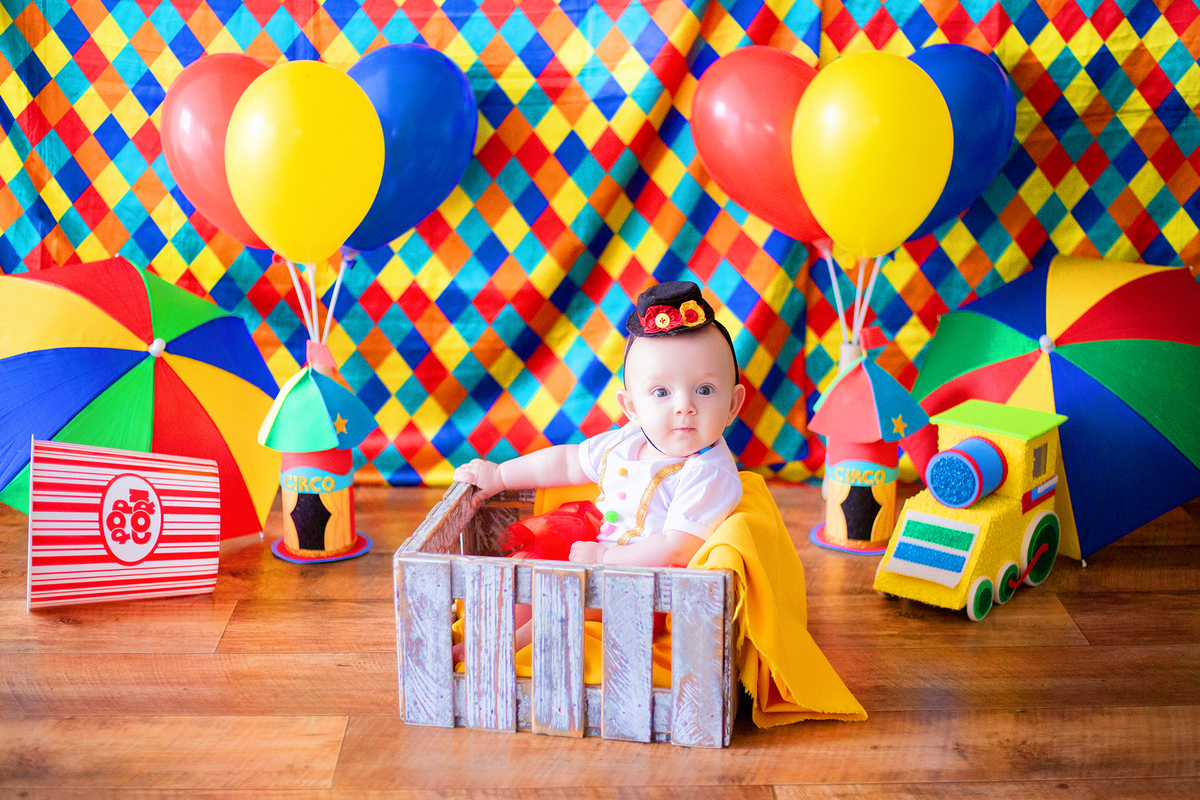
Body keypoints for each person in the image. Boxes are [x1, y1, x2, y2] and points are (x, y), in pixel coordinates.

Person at [454, 280, 746, 570]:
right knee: (525, 566)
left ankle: (541, 617)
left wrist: (605, 559)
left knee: (561, 598)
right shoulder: (628, 441)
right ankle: (513, 617)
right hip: (593, 548)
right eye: (661, 392)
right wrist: (501, 475)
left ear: (732, 405)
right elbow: (567, 463)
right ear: (631, 408)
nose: (685, 406)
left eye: (705, 390)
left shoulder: (708, 471)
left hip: (641, 580)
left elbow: (677, 549)